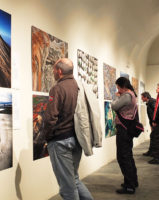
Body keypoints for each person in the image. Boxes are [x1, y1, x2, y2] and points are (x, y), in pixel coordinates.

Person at [43, 58, 93, 200]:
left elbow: (50, 117)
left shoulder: (57, 88)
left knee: (67, 187)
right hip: (77, 139)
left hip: (61, 141)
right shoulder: (78, 86)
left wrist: (47, 137)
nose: (53, 72)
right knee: (74, 179)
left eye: (53, 70)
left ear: (59, 71)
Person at [111, 77, 138, 195]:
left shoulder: (126, 96)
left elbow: (114, 106)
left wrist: (116, 96)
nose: (118, 90)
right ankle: (132, 181)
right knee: (127, 156)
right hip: (127, 129)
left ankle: (130, 186)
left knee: (123, 157)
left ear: (123, 86)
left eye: (118, 87)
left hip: (124, 129)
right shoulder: (131, 94)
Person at [141, 92, 156, 156]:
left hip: (155, 123)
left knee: (154, 137)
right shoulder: (150, 102)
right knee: (153, 136)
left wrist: (154, 121)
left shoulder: (152, 102)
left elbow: (155, 112)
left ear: (146, 97)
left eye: (142, 97)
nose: (141, 98)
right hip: (153, 122)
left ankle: (153, 152)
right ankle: (151, 151)